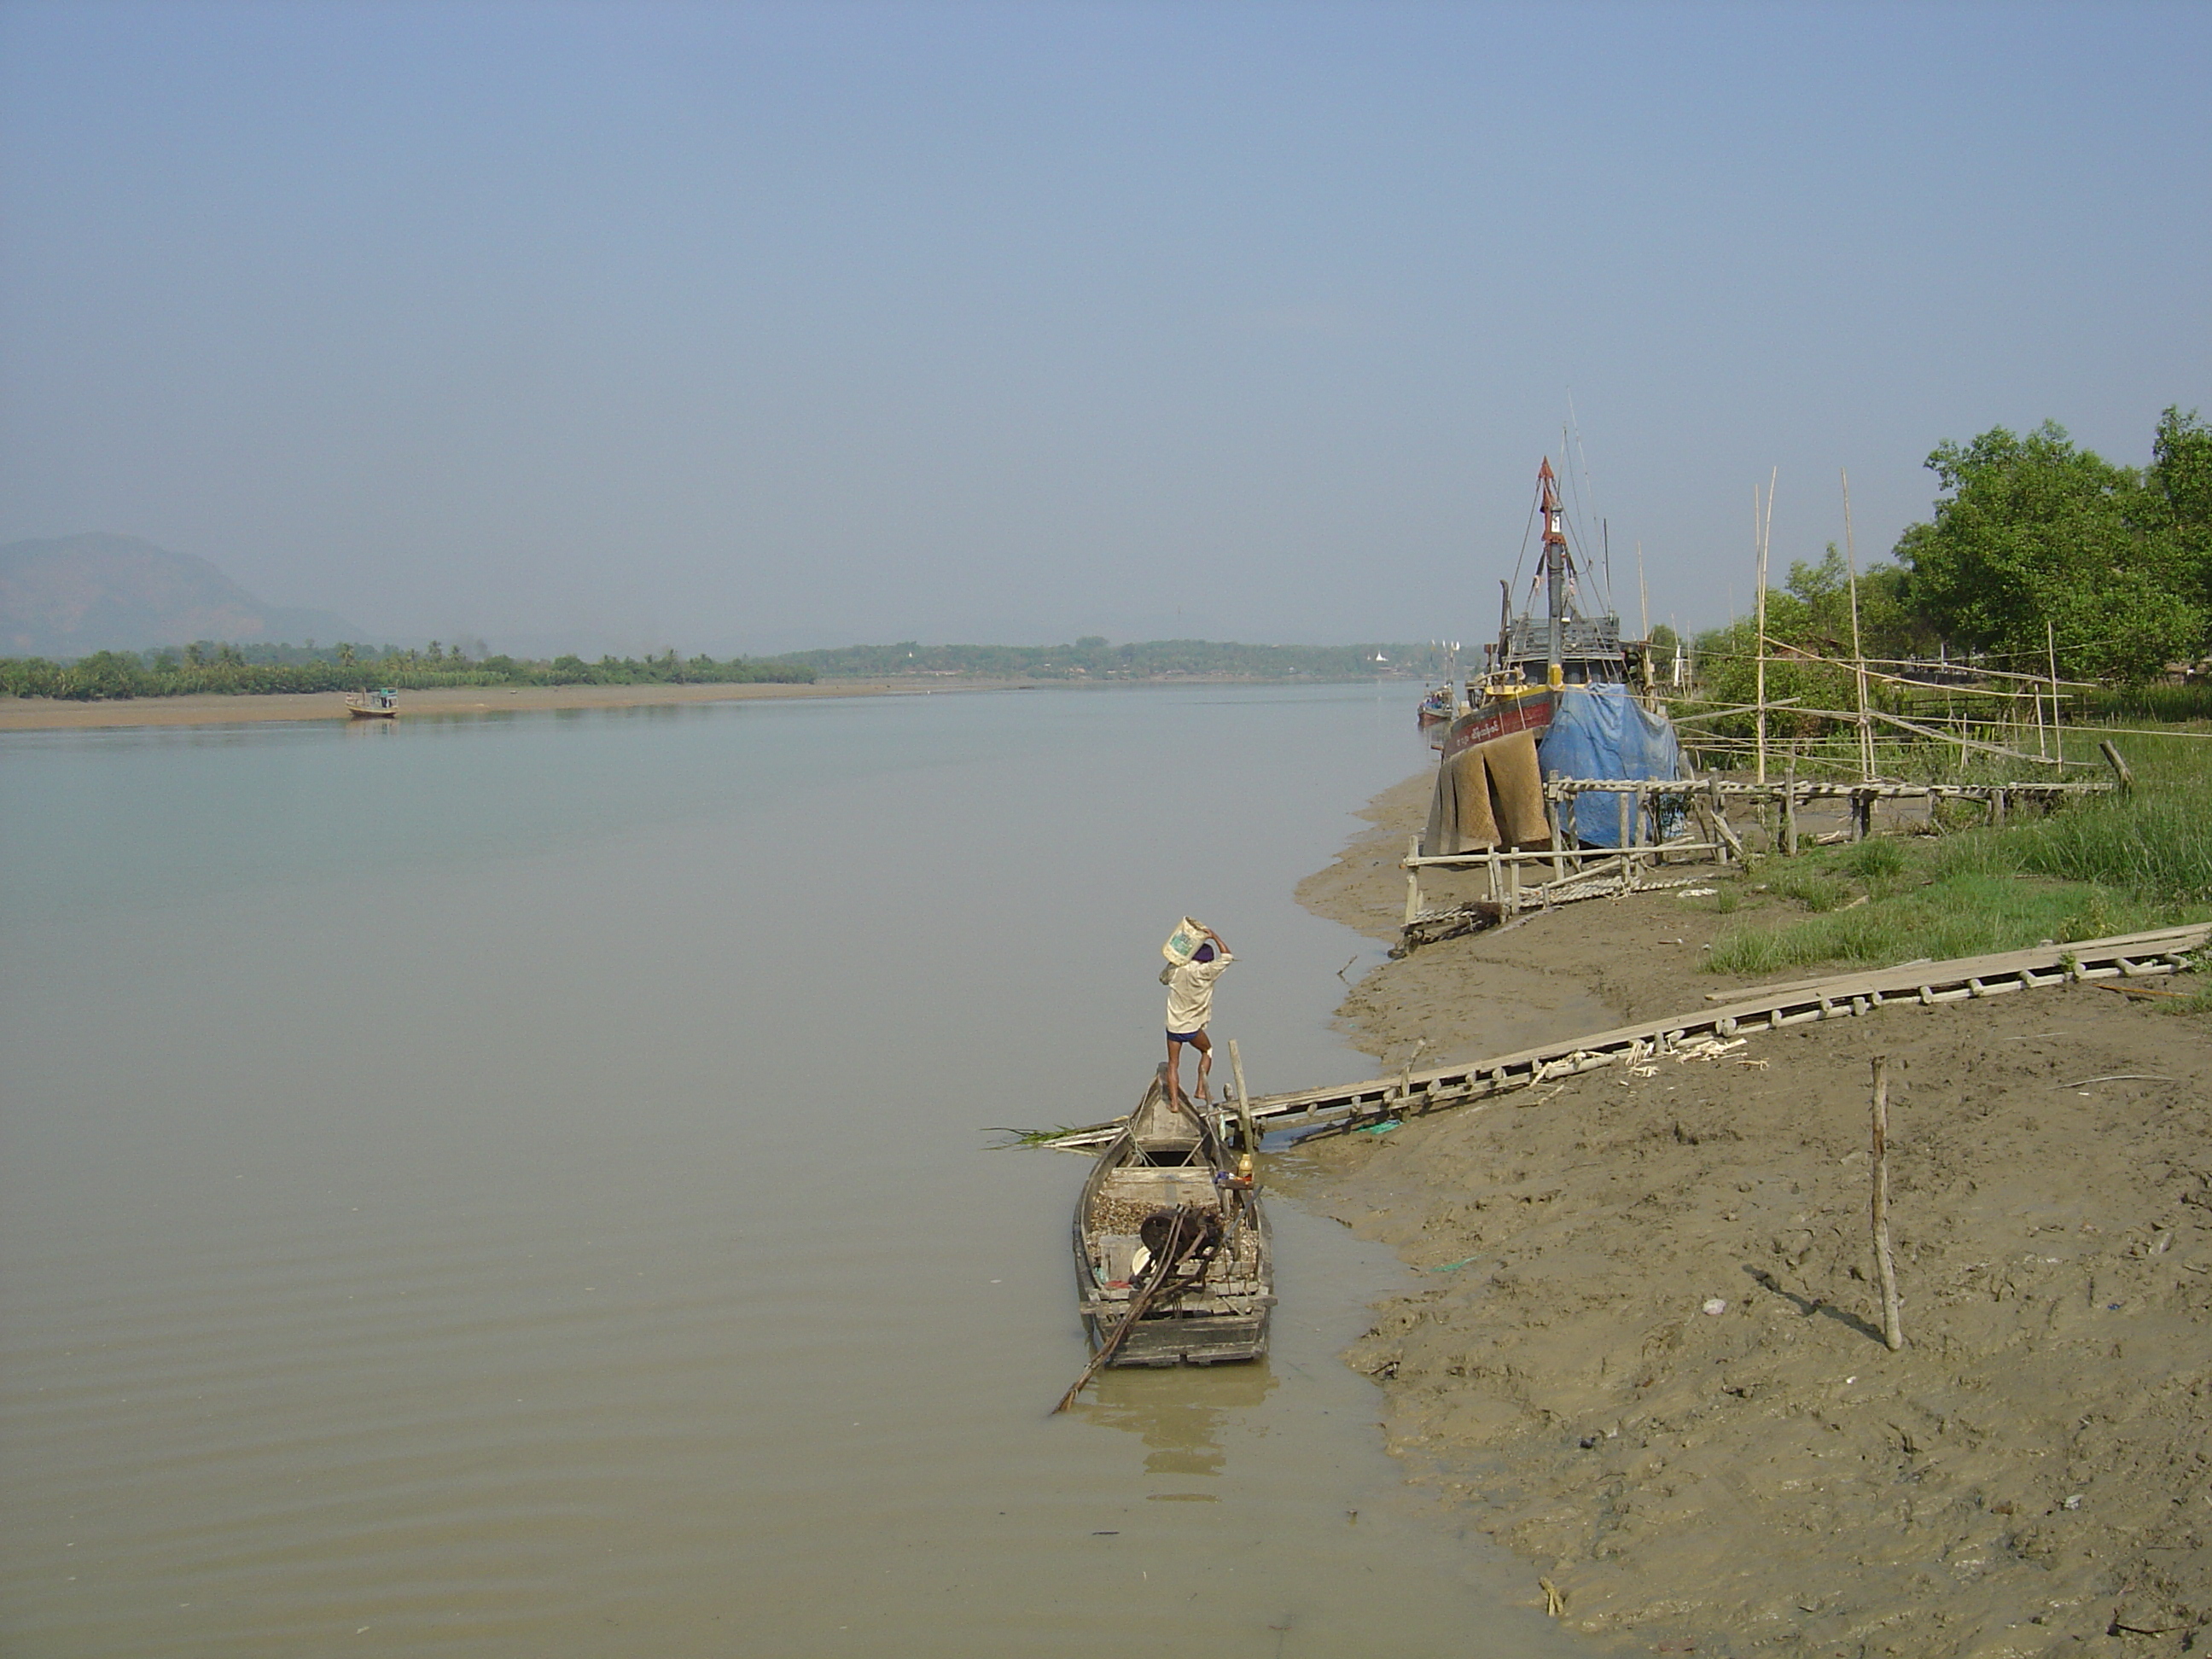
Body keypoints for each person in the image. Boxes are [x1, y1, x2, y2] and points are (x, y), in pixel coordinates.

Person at [1163, 925, 1233, 1108]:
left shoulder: (1177, 969)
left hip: (1174, 1026)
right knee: (1207, 1051)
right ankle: (1200, 1089)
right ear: (1207, 961)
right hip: (1193, 1027)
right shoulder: (1205, 972)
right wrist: (1214, 936)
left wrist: (1177, 960)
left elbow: (1163, 978)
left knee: (1173, 1063)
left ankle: (1175, 1104)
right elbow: (1227, 956)